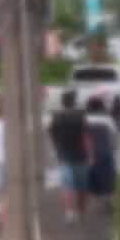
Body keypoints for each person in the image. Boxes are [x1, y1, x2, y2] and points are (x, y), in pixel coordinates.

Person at [46, 92, 91, 221]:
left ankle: (69, 212)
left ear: (62, 102)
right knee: (82, 185)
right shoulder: (81, 116)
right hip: (81, 155)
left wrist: (56, 149)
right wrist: (90, 155)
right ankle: (81, 211)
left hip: (64, 155)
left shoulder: (56, 116)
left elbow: (51, 134)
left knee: (67, 186)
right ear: (74, 102)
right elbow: (85, 137)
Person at [83, 97, 119, 211]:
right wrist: (113, 148)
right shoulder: (107, 120)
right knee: (109, 177)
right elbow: (114, 136)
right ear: (101, 107)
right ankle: (108, 201)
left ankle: (97, 203)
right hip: (105, 152)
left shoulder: (84, 119)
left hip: (89, 153)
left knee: (92, 178)